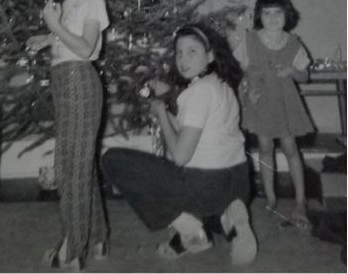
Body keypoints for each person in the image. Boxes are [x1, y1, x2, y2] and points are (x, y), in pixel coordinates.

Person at [102, 24, 258, 266]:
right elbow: (191, 131)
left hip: (206, 185)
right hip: (237, 182)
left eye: (192, 51)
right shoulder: (222, 87)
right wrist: (162, 111)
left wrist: (162, 113)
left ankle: (191, 230)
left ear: (210, 55)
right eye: (179, 52)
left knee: (113, 159)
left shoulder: (198, 93)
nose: (183, 59)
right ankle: (227, 222)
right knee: (194, 195)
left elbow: (181, 156)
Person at [27, 0, 113, 272]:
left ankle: (72, 249)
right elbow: (69, 36)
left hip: (79, 80)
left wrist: (54, 25)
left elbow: (86, 47)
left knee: (70, 170)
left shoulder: (94, 0)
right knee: (79, 164)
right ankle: (98, 236)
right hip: (66, 82)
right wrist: (47, 37)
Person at [234, 0, 313, 228]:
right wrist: (246, 89)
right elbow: (239, 71)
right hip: (261, 102)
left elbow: (305, 76)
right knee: (265, 148)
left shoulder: (294, 42)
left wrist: (293, 71)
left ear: (287, 15)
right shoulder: (250, 40)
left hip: (284, 102)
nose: (272, 18)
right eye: (266, 13)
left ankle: (300, 200)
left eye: (278, 12)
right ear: (259, 16)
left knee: (290, 148)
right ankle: (270, 195)